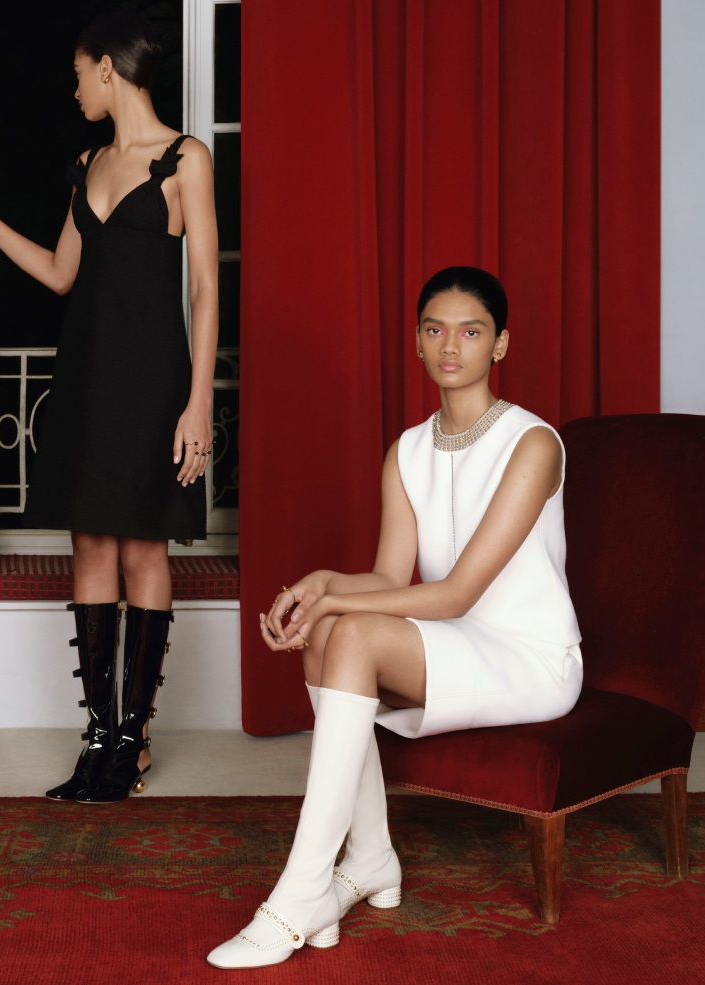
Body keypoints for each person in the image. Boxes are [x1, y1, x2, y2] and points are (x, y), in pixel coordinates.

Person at [206, 266, 582, 968]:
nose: (451, 345)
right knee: (326, 630)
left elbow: (457, 592)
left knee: (344, 626)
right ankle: (371, 856)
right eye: (435, 329)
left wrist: (334, 598)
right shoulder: (407, 451)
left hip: (531, 657)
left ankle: (302, 892)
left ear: (500, 344)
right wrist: (323, 588)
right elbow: (387, 578)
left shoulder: (533, 444)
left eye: (471, 331)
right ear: (416, 340)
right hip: (458, 640)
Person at [0, 11, 218, 804]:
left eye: (77, 75)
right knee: (90, 545)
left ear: (107, 67)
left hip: (154, 380)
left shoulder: (186, 159)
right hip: (87, 380)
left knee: (144, 551)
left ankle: (133, 739)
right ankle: (99, 736)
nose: (73, 92)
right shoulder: (86, 163)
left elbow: (206, 289)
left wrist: (198, 402)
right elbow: (62, 273)